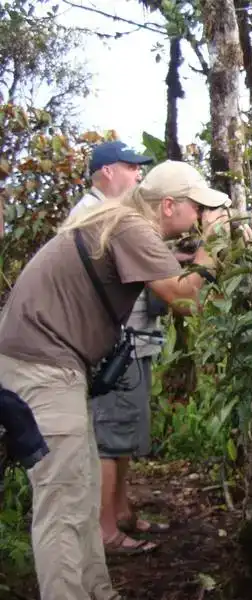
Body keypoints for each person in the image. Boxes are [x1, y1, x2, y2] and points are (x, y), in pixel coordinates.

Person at [0, 160, 231, 600]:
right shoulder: (131, 227)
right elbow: (185, 298)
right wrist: (212, 246)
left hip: (47, 362)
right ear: (168, 206)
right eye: (197, 208)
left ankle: (98, 591)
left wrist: (191, 254)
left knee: (82, 490)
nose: (202, 217)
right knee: (63, 501)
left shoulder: (122, 221)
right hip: (40, 364)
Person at [69, 141, 171, 557]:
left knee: (124, 433)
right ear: (108, 171)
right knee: (110, 439)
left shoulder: (110, 214)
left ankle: (122, 512)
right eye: (132, 167)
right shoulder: (92, 215)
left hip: (134, 343)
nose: (138, 175)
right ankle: (106, 530)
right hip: (113, 346)